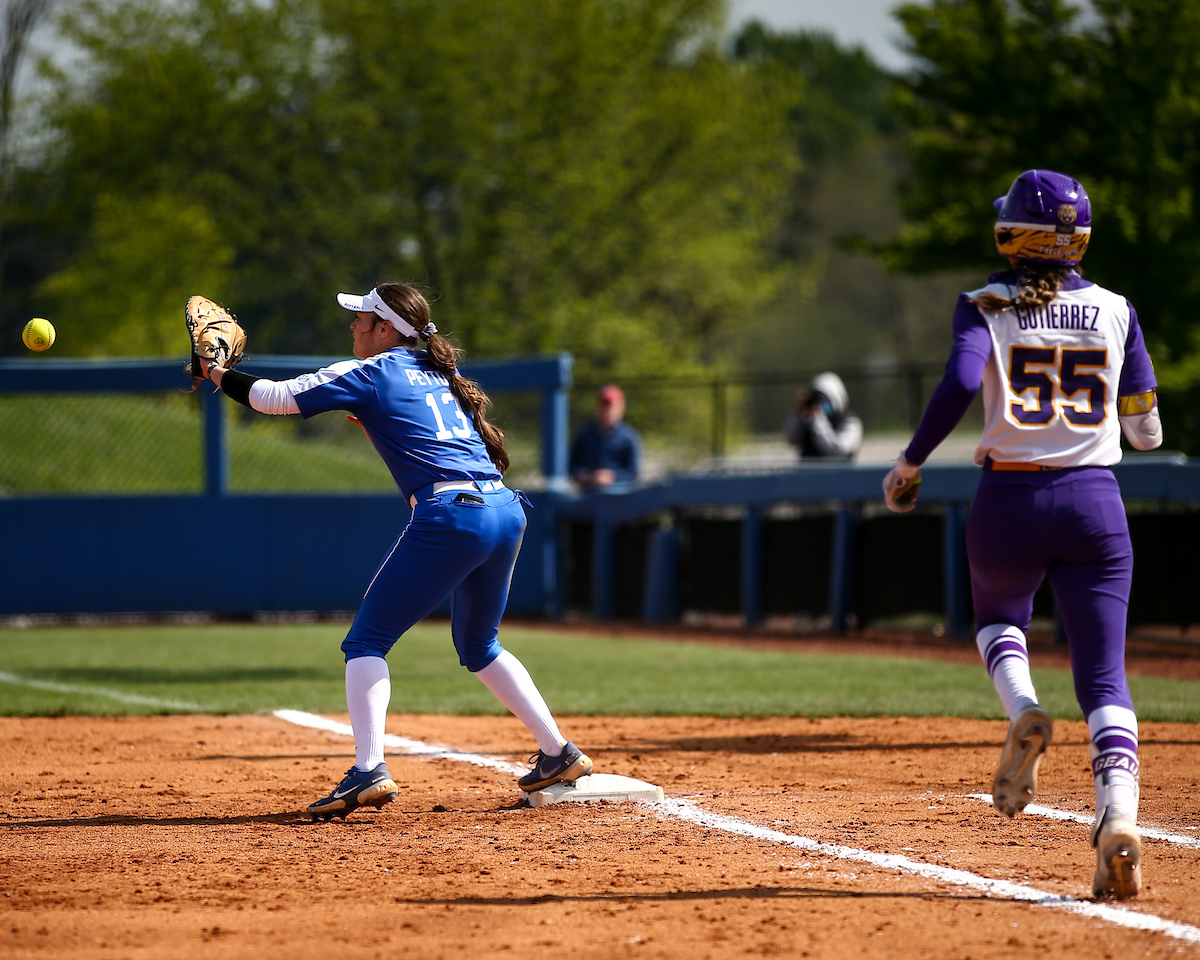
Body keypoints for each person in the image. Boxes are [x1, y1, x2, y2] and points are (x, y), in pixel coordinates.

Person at [201, 283, 593, 818]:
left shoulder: (372, 371)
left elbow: (274, 399)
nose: (354, 325)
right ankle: (558, 752)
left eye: (361, 317)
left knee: (367, 641)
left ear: (385, 329)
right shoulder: (438, 374)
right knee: (479, 645)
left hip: (453, 514)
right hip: (505, 510)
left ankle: (368, 770)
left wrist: (215, 371)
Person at [882, 170, 1162, 899]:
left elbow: (958, 381)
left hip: (1010, 497)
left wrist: (910, 462)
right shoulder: (1117, 310)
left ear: (1011, 233)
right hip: (1097, 503)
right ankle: (1119, 817)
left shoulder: (986, 303)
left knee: (1000, 620)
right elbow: (1147, 434)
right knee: (1106, 677)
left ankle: (1023, 710)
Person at [569, 384, 641, 490]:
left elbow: (632, 473)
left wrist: (611, 476)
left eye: (610, 405)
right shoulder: (584, 434)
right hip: (588, 496)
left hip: (618, 496)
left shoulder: (629, 437)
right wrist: (583, 476)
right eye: (603, 405)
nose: (606, 410)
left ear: (621, 407)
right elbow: (571, 466)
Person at [784, 372, 863, 460]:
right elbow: (791, 440)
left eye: (823, 398)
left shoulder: (850, 422)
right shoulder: (808, 419)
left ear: (835, 398)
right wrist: (798, 413)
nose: (819, 404)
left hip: (840, 473)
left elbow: (836, 451)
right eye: (816, 399)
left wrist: (819, 420)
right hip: (808, 472)